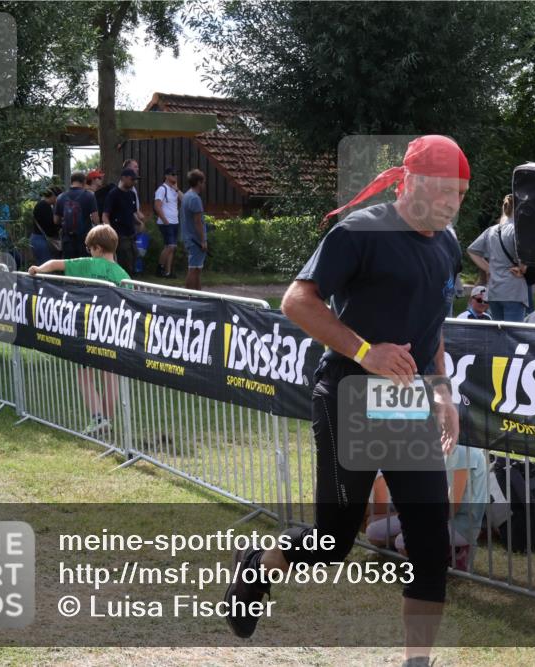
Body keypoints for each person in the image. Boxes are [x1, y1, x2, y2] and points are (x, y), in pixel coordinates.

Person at [224, 135, 466, 667]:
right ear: (412, 182)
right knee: (333, 541)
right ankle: (257, 567)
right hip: (349, 396)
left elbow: (433, 326)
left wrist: (443, 391)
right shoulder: (360, 232)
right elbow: (296, 301)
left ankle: (416, 664)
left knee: (431, 547)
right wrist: (364, 351)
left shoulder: (447, 243)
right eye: (444, 191)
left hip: (408, 405)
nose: (452, 203)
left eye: (460, 194)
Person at [28, 224, 129, 434]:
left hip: (88, 328)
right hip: (113, 330)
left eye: (90, 248)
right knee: (110, 376)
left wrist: (38, 269)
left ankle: (97, 417)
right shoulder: (123, 274)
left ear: (98, 249)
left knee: (84, 375)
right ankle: (107, 420)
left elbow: (55, 264)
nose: (89, 252)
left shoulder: (87, 264)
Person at [367, 444, 488, 573]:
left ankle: (455, 553)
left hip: (459, 524)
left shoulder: (463, 451)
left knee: (402, 542)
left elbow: (453, 507)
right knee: (373, 532)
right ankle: (436, 549)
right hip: (433, 512)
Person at [467, 194, 528, 321]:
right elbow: (523, 257)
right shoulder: (518, 230)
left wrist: (489, 268)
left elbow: (472, 250)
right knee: (513, 336)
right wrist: (522, 268)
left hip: (494, 291)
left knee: (498, 336)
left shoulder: (491, 231)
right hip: (513, 290)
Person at [103, 168, 141, 275]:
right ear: (123, 178)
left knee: (134, 257)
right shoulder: (113, 194)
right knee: (125, 260)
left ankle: (130, 282)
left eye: (135, 180)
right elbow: (105, 215)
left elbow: (132, 213)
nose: (134, 182)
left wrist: (139, 222)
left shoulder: (131, 194)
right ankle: (123, 284)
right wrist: (110, 231)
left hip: (131, 233)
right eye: (132, 179)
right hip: (119, 234)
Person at [54, 172, 99, 259]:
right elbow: (96, 219)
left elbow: (56, 220)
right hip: (85, 239)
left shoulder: (60, 197)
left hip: (67, 240)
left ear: (71, 181)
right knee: (84, 268)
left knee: (69, 267)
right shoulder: (89, 196)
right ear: (84, 182)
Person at [179, 169, 209, 291]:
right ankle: (187, 295)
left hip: (188, 237)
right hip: (195, 240)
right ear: (199, 182)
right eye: (203, 182)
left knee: (197, 269)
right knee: (193, 269)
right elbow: (198, 222)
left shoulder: (186, 196)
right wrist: (203, 240)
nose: (204, 185)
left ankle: (198, 295)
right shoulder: (195, 199)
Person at [154, 167, 181, 278]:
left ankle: (168, 272)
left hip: (175, 222)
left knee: (172, 247)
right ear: (166, 176)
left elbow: (185, 200)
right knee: (170, 246)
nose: (175, 176)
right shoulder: (162, 189)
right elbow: (157, 206)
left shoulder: (174, 190)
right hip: (166, 222)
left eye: (176, 174)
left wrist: (177, 189)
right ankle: (159, 268)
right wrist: (165, 220)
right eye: (173, 174)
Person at [29, 186, 62, 265]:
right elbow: (49, 226)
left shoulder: (43, 205)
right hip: (41, 240)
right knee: (45, 266)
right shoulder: (44, 206)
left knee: (42, 265)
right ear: (54, 196)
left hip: (38, 239)